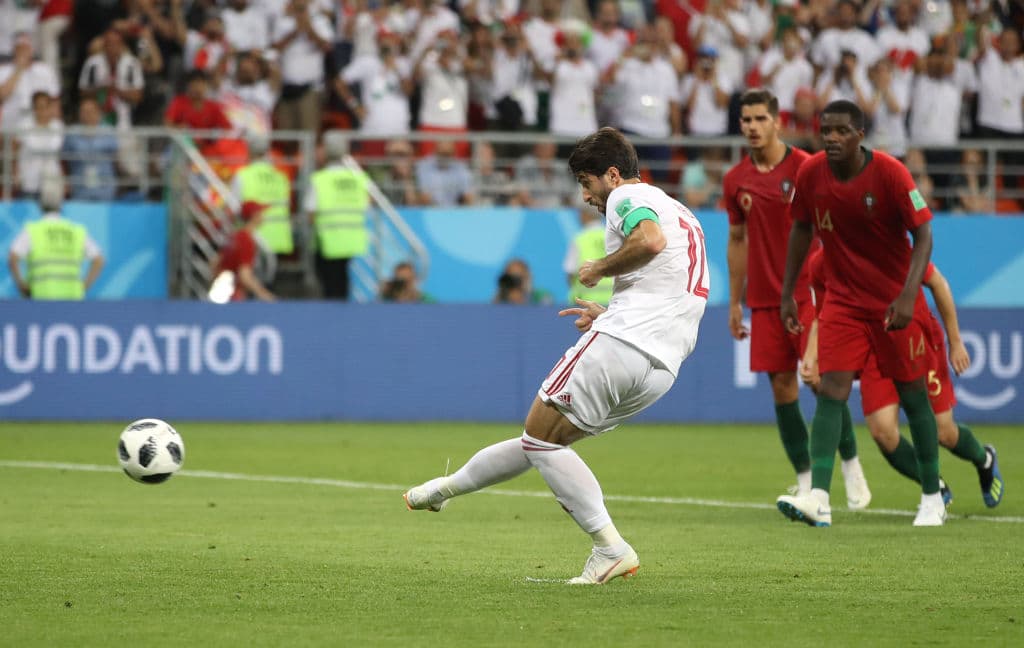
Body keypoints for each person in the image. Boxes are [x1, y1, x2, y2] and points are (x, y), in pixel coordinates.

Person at [404, 127, 709, 584]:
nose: (586, 196)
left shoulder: (627, 197)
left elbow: (649, 242)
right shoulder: (681, 211)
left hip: (624, 344)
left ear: (613, 174)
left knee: (541, 440)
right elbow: (670, 284)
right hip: (663, 365)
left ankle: (610, 547)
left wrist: (600, 268)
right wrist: (613, 310)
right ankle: (444, 490)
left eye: (587, 183)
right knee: (543, 441)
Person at [776, 100, 945, 528]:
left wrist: (908, 295)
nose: (832, 138)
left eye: (841, 131)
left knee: (912, 394)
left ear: (860, 135)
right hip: (843, 302)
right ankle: (818, 498)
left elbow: (924, 233)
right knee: (830, 387)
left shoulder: (891, 173)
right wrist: (788, 292)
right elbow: (801, 229)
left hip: (893, 303)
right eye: (826, 130)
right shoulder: (810, 173)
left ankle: (932, 496)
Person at [723, 89, 869, 506]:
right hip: (765, 299)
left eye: (760, 119)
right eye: (746, 120)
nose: (752, 126)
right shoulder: (735, 180)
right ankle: (805, 481)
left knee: (822, 381)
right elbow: (737, 240)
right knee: (783, 389)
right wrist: (735, 301)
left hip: (809, 294)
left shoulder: (808, 167)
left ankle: (851, 467)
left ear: (777, 122)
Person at [801, 250, 1004, 509]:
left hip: (911, 337)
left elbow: (937, 282)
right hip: (872, 349)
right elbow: (823, 314)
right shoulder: (821, 263)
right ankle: (934, 486)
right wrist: (812, 354)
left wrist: (955, 341)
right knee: (883, 432)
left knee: (944, 432)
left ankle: (984, 458)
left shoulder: (884, 246)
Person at [8, 179, 105, 300]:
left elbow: (13, 258)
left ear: (40, 204)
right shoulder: (76, 231)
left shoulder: (32, 230)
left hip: (41, 297)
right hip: (72, 298)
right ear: (61, 204)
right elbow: (98, 260)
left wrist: (22, 286)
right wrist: (84, 286)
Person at [304, 131, 370, 301]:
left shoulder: (320, 179)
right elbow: (366, 207)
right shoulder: (359, 178)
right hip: (353, 240)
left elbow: (310, 213)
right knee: (344, 285)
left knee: (330, 288)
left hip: (327, 241)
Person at [231, 135, 294, 255]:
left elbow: (233, 209)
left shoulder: (243, 176)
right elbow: (286, 206)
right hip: (278, 239)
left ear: (249, 151)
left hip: (254, 240)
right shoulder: (281, 177)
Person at [209, 201, 277, 303]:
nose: (263, 217)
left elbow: (214, 263)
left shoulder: (235, 236)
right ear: (255, 216)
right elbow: (244, 275)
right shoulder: (246, 240)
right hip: (234, 296)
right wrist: (263, 294)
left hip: (222, 292)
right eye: (261, 213)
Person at [564, 208, 614, 305]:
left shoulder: (580, 239)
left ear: (585, 214)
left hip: (587, 300)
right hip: (614, 298)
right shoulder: (613, 236)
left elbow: (570, 271)